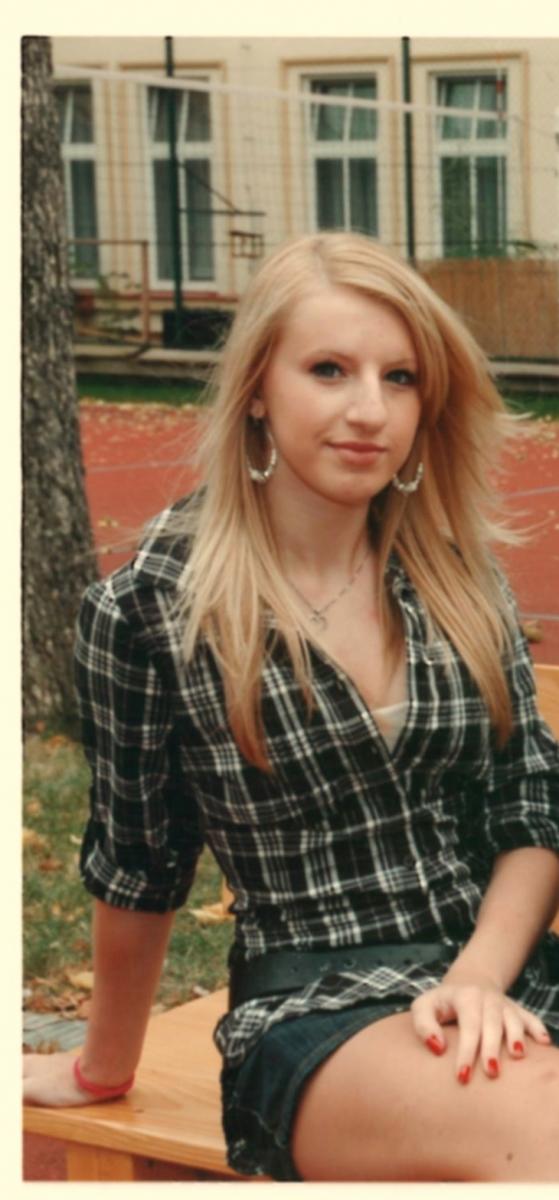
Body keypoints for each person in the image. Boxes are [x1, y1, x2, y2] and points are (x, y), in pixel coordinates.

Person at [23, 232, 559, 1182]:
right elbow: (141, 861)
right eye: (328, 370)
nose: (369, 410)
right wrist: (102, 1067)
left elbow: (530, 806)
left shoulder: (453, 572)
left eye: (399, 378)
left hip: (501, 972)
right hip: (321, 1007)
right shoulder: (152, 606)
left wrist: (477, 977)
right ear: (258, 390)